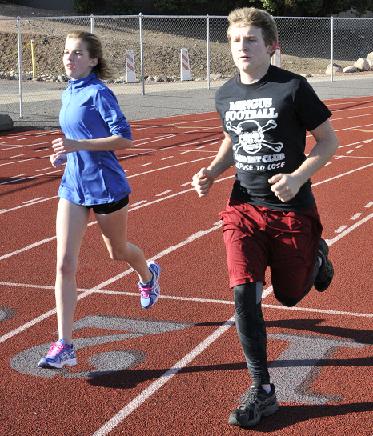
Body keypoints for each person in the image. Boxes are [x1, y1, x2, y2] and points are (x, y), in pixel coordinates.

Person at [192, 7, 337, 428]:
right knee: (243, 295)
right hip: (244, 209)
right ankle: (263, 389)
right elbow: (230, 140)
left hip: (291, 209)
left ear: (270, 46)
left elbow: (328, 141)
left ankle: (317, 258)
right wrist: (212, 173)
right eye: (236, 40)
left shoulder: (293, 87)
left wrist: (296, 177)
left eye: (251, 40)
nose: (242, 47)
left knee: (290, 296)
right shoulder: (225, 93)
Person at [38, 31, 160, 369]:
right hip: (72, 188)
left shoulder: (99, 92)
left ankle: (147, 274)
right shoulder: (67, 93)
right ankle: (65, 343)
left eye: (78, 53)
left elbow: (125, 138)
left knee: (117, 251)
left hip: (107, 187)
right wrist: (65, 155)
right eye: (66, 52)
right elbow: (75, 138)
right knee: (64, 263)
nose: (69, 58)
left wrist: (78, 146)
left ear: (93, 60)